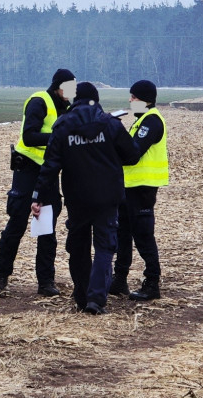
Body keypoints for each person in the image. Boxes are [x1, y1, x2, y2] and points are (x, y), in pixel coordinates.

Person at [31, 82, 140, 314]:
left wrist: (38, 196)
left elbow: (50, 166)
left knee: (78, 247)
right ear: (97, 99)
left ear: (74, 100)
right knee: (104, 247)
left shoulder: (62, 126)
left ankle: (81, 297)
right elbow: (132, 155)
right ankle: (96, 299)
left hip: (77, 197)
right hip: (107, 197)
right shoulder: (110, 124)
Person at [0, 68, 76, 297]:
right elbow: (29, 136)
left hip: (48, 173)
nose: (72, 92)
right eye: (69, 87)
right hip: (27, 169)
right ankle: (1, 276)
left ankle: (45, 282)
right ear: (59, 86)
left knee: (46, 229)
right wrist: (58, 140)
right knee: (16, 224)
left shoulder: (66, 107)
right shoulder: (39, 101)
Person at [110, 79, 169, 302]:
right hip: (129, 188)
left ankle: (152, 283)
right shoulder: (141, 120)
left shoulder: (151, 121)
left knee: (143, 236)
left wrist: (116, 130)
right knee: (122, 234)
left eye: (133, 98)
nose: (130, 101)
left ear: (145, 100)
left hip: (142, 189)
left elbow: (133, 153)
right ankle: (119, 280)